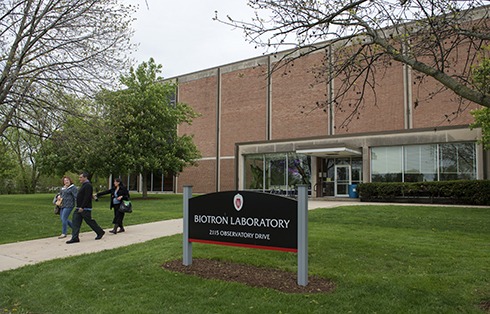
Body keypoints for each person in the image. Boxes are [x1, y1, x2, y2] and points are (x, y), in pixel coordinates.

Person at [66, 172, 105, 244]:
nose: (79, 179)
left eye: (81, 177)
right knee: (75, 222)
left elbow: (87, 197)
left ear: (85, 177)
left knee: (89, 221)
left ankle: (100, 232)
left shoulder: (88, 186)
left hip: (85, 208)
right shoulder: (84, 185)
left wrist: (82, 207)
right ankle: (75, 238)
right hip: (78, 207)